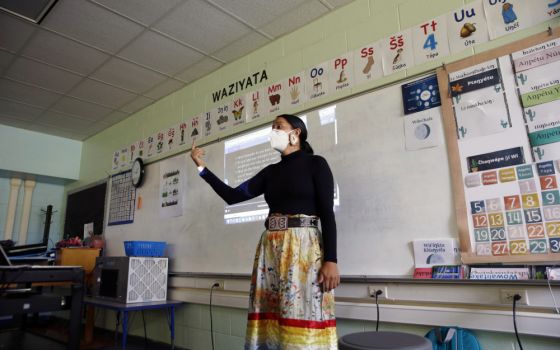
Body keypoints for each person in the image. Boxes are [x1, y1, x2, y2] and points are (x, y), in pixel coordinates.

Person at [191, 114, 339, 349]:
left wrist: (331, 259)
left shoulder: (316, 164)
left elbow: (327, 213)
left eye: (278, 127)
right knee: (271, 314)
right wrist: (201, 167)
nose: (273, 131)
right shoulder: (270, 172)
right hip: (270, 249)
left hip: (304, 249)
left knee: (305, 311)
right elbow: (232, 195)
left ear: (296, 133)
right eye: (271, 128)